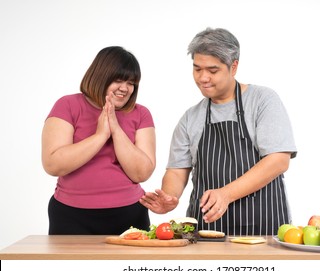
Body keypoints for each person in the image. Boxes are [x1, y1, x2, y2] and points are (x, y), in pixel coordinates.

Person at [140, 28, 297, 236]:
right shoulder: (190, 118)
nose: (203, 78)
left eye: (212, 71)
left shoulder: (262, 100)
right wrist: (170, 196)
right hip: (206, 229)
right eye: (197, 69)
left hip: (262, 228)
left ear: (233, 67)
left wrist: (226, 194)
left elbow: (278, 160)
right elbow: (177, 170)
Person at [42, 46, 156, 235]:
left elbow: (141, 173)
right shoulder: (67, 105)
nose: (125, 88)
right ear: (99, 75)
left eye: (131, 82)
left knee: (128, 267)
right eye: (118, 80)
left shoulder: (141, 113)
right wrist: (100, 135)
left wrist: (116, 128)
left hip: (130, 214)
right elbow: (53, 164)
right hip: (71, 215)